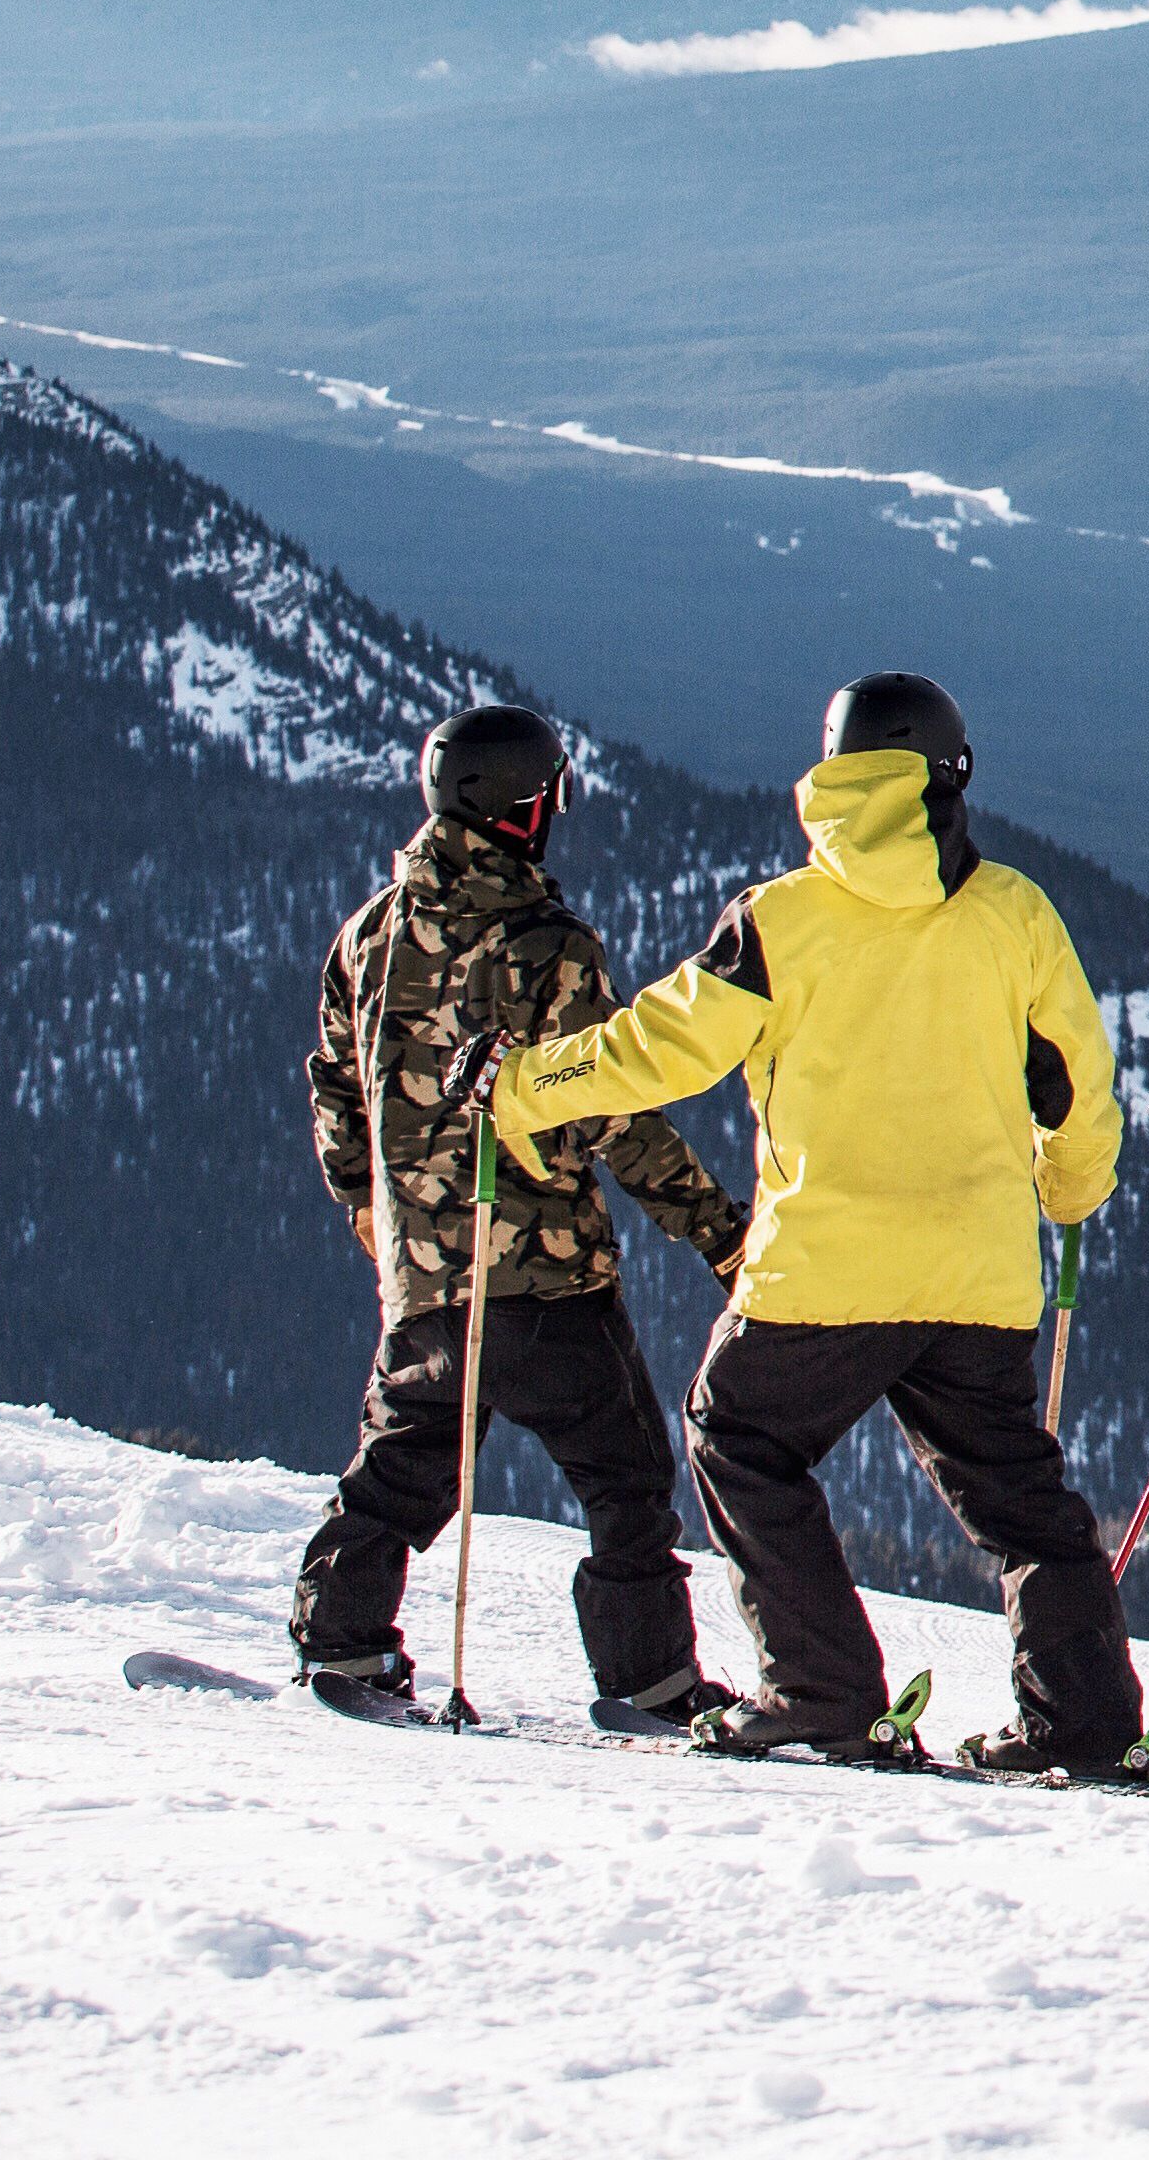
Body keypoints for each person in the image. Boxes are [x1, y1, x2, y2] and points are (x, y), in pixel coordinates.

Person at [491, 670, 1149, 1779]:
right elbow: (1079, 1088)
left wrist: (520, 1086)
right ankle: (1085, 1724)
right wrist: (1070, 1192)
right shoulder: (1015, 912)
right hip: (979, 1277)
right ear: (952, 776)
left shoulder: (780, 921)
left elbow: (654, 1050)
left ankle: (822, 1689)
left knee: (740, 1441)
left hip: (825, 1274)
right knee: (1021, 1500)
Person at [293, 702, 748, 1723]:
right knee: (624, 1479)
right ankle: (649, 1680)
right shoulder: (548, 945)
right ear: (520, 810)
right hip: (544, 1274)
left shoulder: (367, 933)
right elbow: (610, 1112)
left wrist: (364, 1200)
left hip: (422, 1273)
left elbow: (335, 1079)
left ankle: (341, 1644)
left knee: (404, 1466)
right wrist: (717, 1228)